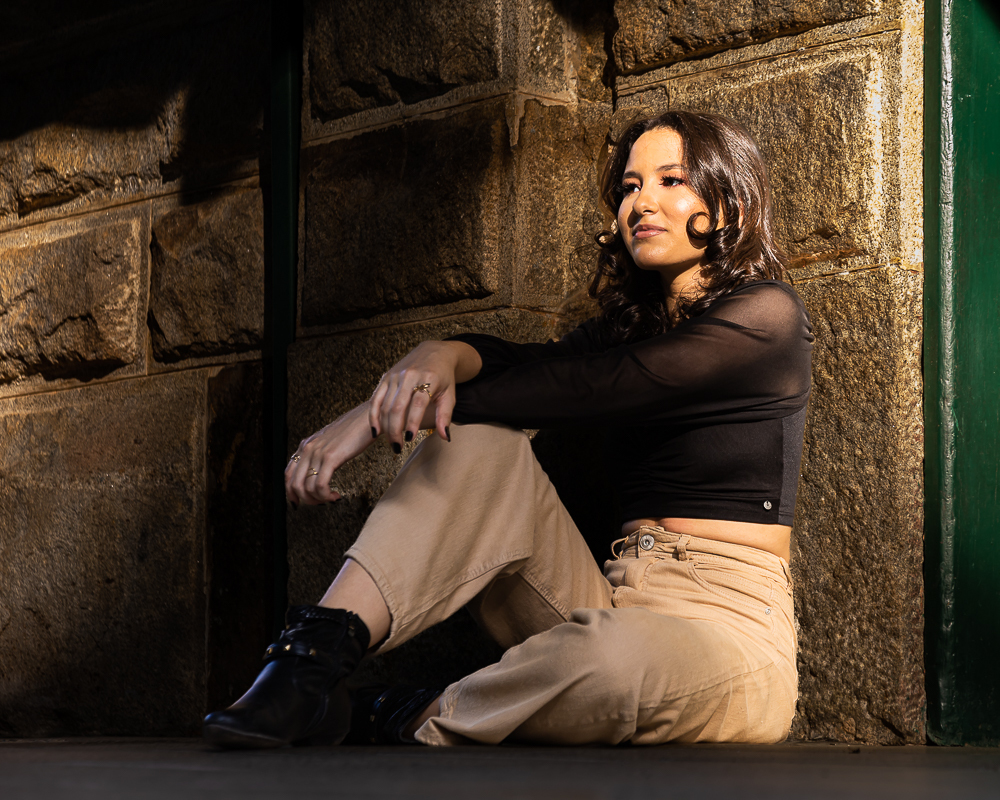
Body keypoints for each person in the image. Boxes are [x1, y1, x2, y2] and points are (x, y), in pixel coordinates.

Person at [203, 110, 814, 748]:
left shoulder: (768, 318)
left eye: (671, 180)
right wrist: (442, 354)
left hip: (729, 630)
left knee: (611, 661)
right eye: (630, 186)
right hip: (609, 600)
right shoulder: (628, 331)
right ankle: (306, 664)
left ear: (728, 201)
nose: (641, 202)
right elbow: (527, 365)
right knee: (476, 437)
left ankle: (391, 710)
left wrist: (373, 419)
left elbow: (597, 386)